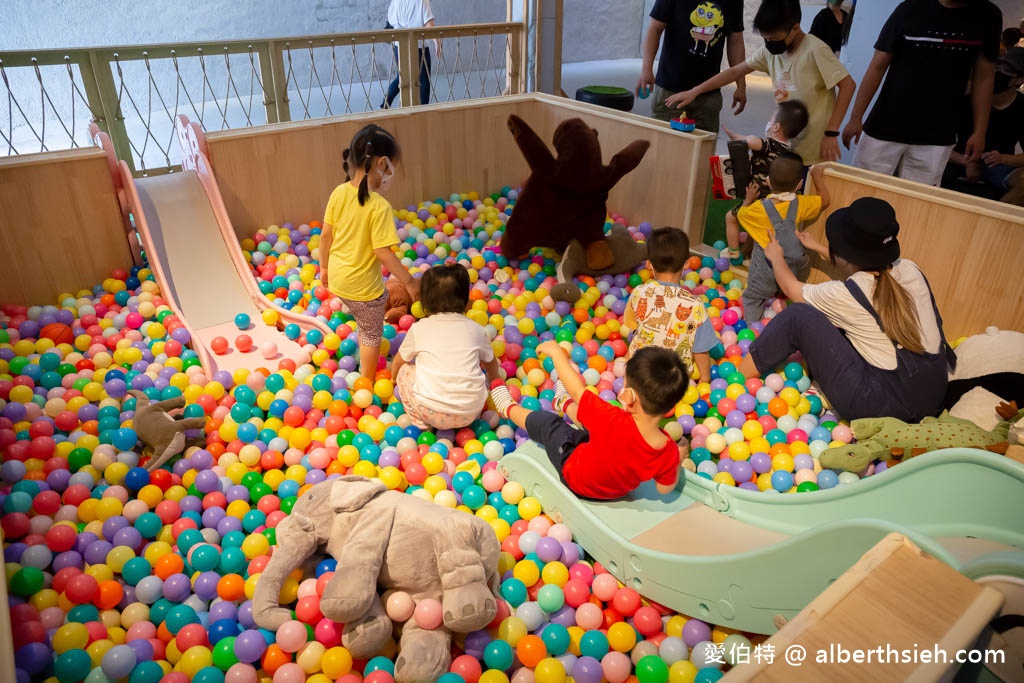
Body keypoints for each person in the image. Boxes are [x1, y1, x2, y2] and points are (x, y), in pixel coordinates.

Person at [739, 197, 955, 422]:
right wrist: (820, 248)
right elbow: (867, 270)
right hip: (933, 393)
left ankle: (735, 379)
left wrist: (775, 255)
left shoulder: (845, 294)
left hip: (885, 408)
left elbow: (789, 287)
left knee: (797, 316)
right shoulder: (911, 269)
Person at [665, 0, 855, 164]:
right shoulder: (770, 53)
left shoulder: (816, 50)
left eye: (774, 38)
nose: (769, 43)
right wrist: (694, 91)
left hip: (814, 154)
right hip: (783, 150)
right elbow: (734, 72)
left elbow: (848, 85)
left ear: (795, 28)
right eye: (765, 38)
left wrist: (831, 133)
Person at [489, 345, 689, 500]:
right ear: (671, 409)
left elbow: (577, 390)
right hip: (614, 493)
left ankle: (508, 408)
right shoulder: (668, 450)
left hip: (576, 476)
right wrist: (677, 460)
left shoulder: (611, 417)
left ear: (628, 396)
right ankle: (562, 402)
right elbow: (664, 489)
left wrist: (558, 355)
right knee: (592, 425)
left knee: (549, 423)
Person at [843, 0, 1003, 187]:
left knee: (918, 203)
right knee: (862, 190)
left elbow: (983, 77)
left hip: (939, 132)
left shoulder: (988, 15)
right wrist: (856, 117)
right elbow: (878, 66)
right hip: (886, 123)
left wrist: (980, 131)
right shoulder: (910, 9)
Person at [319, 124, 419, 380]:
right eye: (392, 167)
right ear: (383, 164)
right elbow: (382, 252)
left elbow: (325, 236)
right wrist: (408, 281)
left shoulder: (338, 192)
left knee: (363, 307)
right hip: (363, 288)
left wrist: (324, 268)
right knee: (371, 333)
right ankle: (367, 379)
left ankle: (354, 310)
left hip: (339, 278)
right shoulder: (379, 207)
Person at [391, 263, 503, 430]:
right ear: (465, 299)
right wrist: (496, 384)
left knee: (405, 369)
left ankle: (422, 424)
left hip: (429, 411)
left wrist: (393, 379)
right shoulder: (476, 329)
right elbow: (491, 363)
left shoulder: (419, 328)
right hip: (470, 413)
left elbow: (399, 361)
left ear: (425, 301)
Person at [735, 157, 830, 322]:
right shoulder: (801, 203)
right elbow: (825, 200)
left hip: (766, 269)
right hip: (796, 269)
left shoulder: (757, 209)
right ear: (799, 184)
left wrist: (748, 199)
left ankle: (753, 330)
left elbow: (741, 214)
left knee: (753, 298)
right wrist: (817, 177)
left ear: (768, 181)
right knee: (793, 293)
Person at [636, 0, 748, 133]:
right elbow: (655, 28)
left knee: (703, 148)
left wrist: (741, 84)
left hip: (708, 94)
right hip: (670, 89)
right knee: (664, 145)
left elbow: (735, 41)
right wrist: (646, 69)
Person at [623, 228, 717, 384]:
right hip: (675, 380)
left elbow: (633, 327)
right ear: (687, 263)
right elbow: (701, 350)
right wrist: (705, 379)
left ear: (649, 264)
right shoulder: (696, 306)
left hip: (639, 372)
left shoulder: (639, 292)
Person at [721, 99, 810, 262]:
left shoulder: (769, 145)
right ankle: (750, 254)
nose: (768, 123)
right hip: (772, 202)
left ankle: (733, 251)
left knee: (731, 217)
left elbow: (753, 141)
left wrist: (736, 137)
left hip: (756, 198)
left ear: (776, 127)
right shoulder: (786, 153)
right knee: (759, 229)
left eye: (771, 120)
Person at [945, 46, 1024, 205]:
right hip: (959, 161)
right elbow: (935, 145)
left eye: (1007, 69)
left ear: (1019, 79)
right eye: (997, 66)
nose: (999, 72)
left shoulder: (1021, 107)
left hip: (999, 166)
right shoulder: (968, 99)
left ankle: (995, 223)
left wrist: (1003, 158)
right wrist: (965, 161)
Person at [382, 0, 440, 108]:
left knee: (402, 76)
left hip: (399, 44)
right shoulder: (422, 1)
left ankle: (385, 103)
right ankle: (423, 109)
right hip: (418, 45)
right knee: (424, 79)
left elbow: (391, 20)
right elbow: (429, 24)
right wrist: (436, 41)